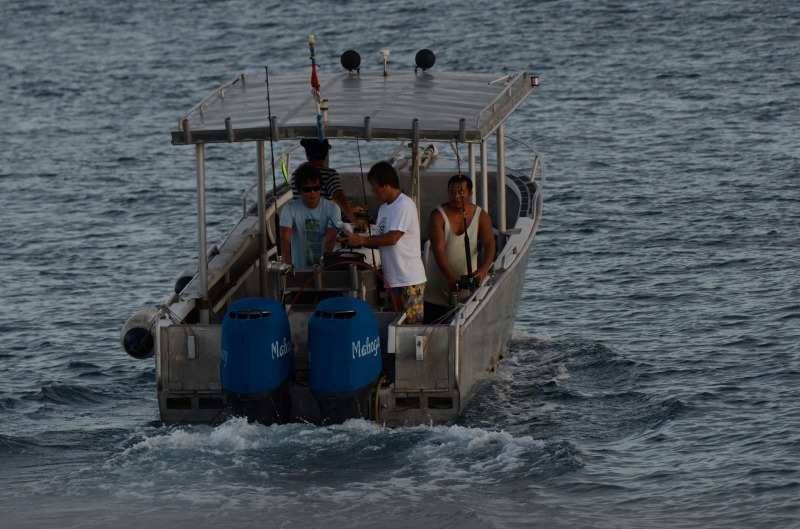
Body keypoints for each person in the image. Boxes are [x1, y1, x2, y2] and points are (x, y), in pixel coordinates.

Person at [344, 161, 426, 324]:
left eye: (374, 185)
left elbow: (392, 238)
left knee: (412, 327)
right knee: (392, 325)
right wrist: (354, 240)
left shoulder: (404, 205)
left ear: (386, 183)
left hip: (409, 279)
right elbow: (377, 240)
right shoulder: (383, 209)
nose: (372, 190)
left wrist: (361, 239)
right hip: (391, 279)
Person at [423, 175, 496, 324]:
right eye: (452, 192)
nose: (456, 196)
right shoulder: (437, 216)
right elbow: (438, 250)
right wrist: (449, 277)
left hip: (468, 293)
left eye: (461, 192)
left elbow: (490, 245)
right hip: (436, 290)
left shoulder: (481, 216)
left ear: (470, 193)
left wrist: (483, 270)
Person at [280, 163, 341, 269]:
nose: (312, 192)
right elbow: (284, 239)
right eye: (307, 189)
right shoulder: (289, 209)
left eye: (316, 188)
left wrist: (322, 265)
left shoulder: (333, 209)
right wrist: (288, 267)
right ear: (299, 190)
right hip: (298, 272)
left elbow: (331, 239)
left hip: (324, 269)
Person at [291, 138, 364, 226]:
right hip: (320, 227)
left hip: (299, 224)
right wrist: (354, 219)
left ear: (307, 154)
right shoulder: (330, 174)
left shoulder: (296, 174)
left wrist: (351, 209)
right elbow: (339, 196)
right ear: (326, 154)